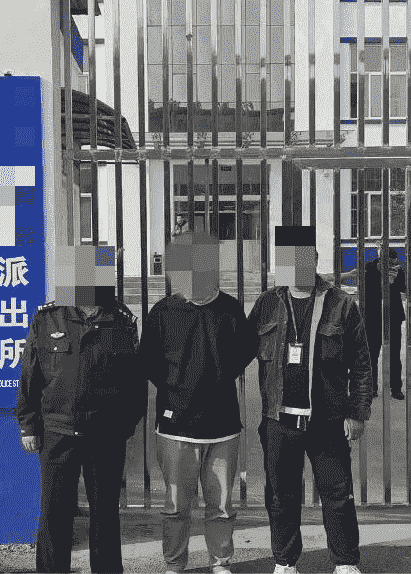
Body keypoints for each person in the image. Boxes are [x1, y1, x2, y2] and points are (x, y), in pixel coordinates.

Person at [247, 225, 374, 574]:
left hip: (327, 421)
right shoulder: (268, 303)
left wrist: (357, 412)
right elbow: (239, 350)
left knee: (338, 494)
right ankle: (285, 561)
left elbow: (362, 363)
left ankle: (345, 561)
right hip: (279, 421)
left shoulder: (340, 304)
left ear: (315, 260)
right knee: (281, 496)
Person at [14, 244, 147, 574]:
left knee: (105, 512)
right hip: (58, 431)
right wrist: (28, 425)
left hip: (106, 434)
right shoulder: (48, 318)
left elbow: (135, 381)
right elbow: (31, 374)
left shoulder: (121, 321)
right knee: (54, 511)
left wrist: (126, 425)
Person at [138, 230, 259, 574]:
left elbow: (246, 350)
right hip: (175, 426)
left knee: (220, 505)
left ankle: (220, 562)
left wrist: (218, 377)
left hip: (223, 426)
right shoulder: (163, 311)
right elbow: (147, 360)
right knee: (176, 505)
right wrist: (176, 387)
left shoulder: (230, 309)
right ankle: (174, 564)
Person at [364, 247, 406, 401]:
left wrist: (394, 280)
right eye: (389, 264)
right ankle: (371, 388)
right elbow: (366, 290)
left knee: (394, 354)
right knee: (371, 354)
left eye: (394, 263)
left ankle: (396, 388)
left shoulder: (397, 270)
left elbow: (404, 288)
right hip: (373, 317)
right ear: (381, 260)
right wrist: (384, 282)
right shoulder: (368, 268)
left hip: (393, 317)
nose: (392, 266)